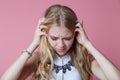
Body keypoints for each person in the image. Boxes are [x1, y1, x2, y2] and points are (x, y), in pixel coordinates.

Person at [0, 4, 120, 80]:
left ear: (75, 34)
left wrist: (88, 44)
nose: (61, 45)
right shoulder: (38, 59)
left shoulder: (86, 60)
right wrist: (33, 45)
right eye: (54, 38)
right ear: (45, 34)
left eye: (67, 38)